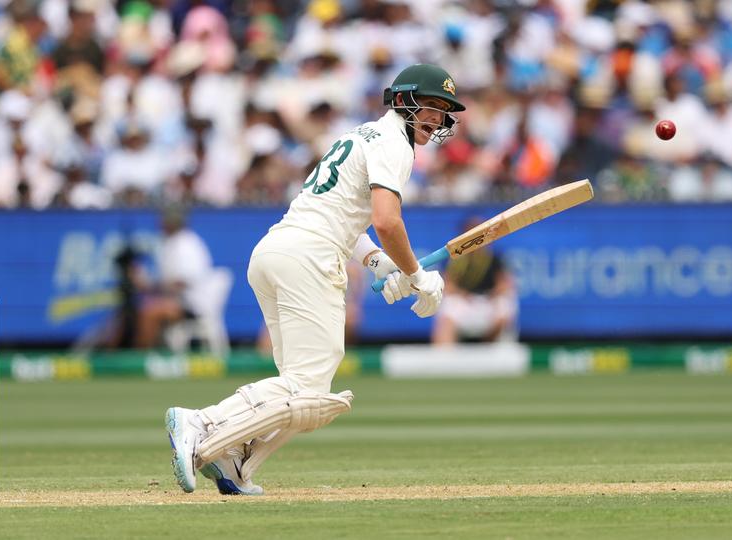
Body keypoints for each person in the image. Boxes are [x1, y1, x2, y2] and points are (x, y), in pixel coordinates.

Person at [164, 64, 465, 495]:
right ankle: (202, 421)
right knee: (308, 391)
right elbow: (386, 220)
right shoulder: (395, 144)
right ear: (403, 100)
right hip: (309, 257)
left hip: (275, 251)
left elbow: (350, 218)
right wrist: (418, 275)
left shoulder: (359, 134)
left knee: (298, 385)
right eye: (431, 106)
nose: (436, 118)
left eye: (443, 111)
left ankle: (232, 458)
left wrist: (384, 266)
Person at [135, 206, 216, 349]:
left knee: (149, 312)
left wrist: (150, 285)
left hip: (193, 305)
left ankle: (143, 359)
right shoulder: (173, 243)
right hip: (181, 301)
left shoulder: (187, 244)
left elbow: (182, 283)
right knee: (141, 307)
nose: (160, 224)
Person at [432, 217, 519, 345]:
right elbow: (447, 285)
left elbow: (505, 285)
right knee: (447, 309)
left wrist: (491, 296)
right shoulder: (455, 260)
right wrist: (464, 295)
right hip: (464, 304)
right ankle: (444, 357)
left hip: (488, 303)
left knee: (505, 306)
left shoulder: (493, 258)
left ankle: (492, 350)